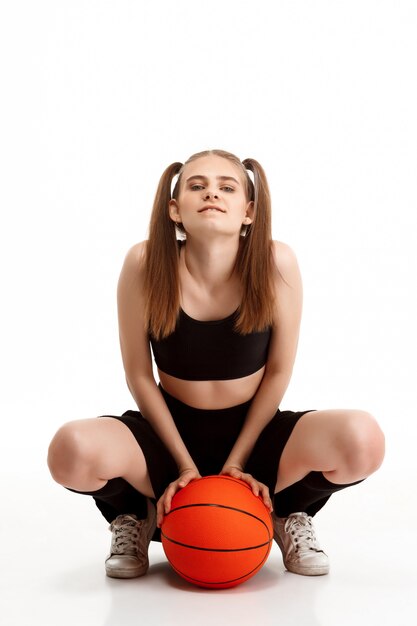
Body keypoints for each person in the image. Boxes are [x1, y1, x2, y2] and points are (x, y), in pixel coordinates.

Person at [47, 149, 385, 579]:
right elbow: (138, 374)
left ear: (248, 211)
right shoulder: (145, 262)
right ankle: (135, 515)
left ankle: (285, 513)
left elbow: (278, 372)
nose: (212, 194)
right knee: (69, 449)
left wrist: (239, 463)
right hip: (167, 435)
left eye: (227, 187)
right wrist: (184, 465)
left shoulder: (276, 261)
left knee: (363, 438)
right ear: (174, 209)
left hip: (255, 433)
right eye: (196, 185)